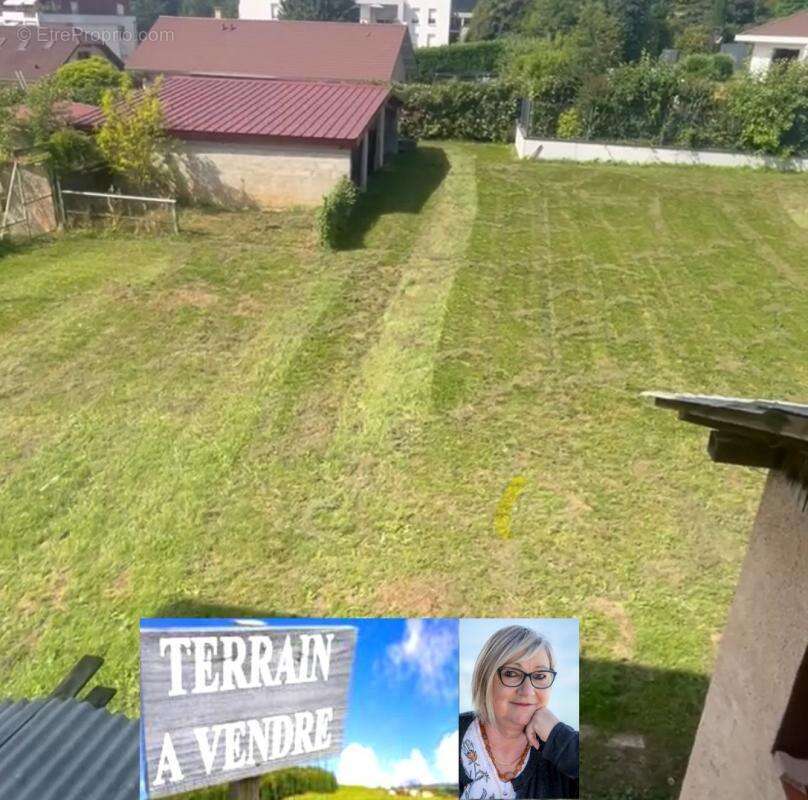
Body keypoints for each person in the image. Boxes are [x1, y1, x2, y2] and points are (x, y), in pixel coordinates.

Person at [459, 625, 579, 799]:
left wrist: (558, 736)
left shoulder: (563, 747)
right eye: (511, 673)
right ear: (485, 678)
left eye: (539, 676)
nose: (528, 691)